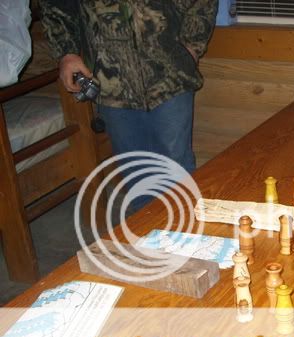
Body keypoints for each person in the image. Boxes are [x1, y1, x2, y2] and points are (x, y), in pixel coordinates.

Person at [40, 0, 218, 202]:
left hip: (171, 74)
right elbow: (55, 6)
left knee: (177, 170)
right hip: (112, 79)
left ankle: (185, 221)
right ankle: (145, 222)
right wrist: (67, 53)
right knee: (136, 174)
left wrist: (191, 45)